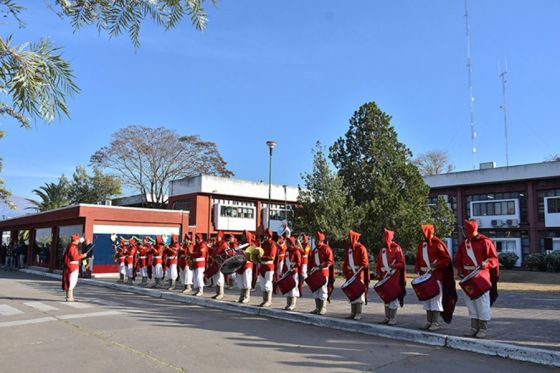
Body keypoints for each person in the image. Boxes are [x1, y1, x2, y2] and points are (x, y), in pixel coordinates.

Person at [454, 219, 499, 339]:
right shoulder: (464, 244)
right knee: (470, 303)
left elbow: (494, 259)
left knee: (482, 303)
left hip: (481, 277)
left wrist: (487, 264)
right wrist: (460, 271)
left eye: (467, 230)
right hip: (467, 278)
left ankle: (483, 328)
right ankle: (473, 327)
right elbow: (458, 260)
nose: (465, 232)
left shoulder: (486, 242)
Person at [414, 225, 457, 331]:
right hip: (424, 277)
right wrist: (417, 267)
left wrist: (437, 264)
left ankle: (435, 323)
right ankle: (429, 322)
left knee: (435, 300)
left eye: (425, 232)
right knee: (427, 300)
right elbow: (418, 258)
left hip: (436, 277)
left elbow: (446, 260)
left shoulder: (438, 244)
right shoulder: (421, 245)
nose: (423, 234)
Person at [375, 228, 406, 325]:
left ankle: (393, 318)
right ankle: (387, 317)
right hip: (384, 278)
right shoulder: (382, 250)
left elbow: (401, 263)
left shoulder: (397, 248)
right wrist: (378, 272)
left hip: (394, 278)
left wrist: (394, 266)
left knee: (393, 298)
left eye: (383, 237)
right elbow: (379, 264)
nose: (382, 239)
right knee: (386, 298)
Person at [342, 230, 370, 320]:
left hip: (358, 275)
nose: (349, 240)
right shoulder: (349, 249)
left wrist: (358, 271)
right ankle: (352, 312)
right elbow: (346, 262)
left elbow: (365, 263)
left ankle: (358, 313)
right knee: (352, 294)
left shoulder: (361, 248)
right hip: (350, 275)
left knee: (358, 295)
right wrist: (345, 272)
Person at [308, 231, 334, 315]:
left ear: (321, 240)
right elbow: (311, 262)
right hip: (315, 272)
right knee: (315, 290)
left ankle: (323, 308)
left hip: (323, 272)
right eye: (315, 240)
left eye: (317, 240)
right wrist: (309, 270)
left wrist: (323, 265)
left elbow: (330, 261)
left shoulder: (327, 249)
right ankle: (317, 307)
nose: (315, 241)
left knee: (323, 290)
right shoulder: (314, 250)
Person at [62, 234, 87, 301]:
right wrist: (82, 256)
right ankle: (70, 297)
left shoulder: (70, 246)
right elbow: (74, 257)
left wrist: (79, 255)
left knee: (70, 281)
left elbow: (73, 256)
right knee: (72, 281)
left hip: (70, 266)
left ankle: (69, 297)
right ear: (76, 240)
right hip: (72, 266)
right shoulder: (73, 247)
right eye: (78, 240)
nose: (79, 241)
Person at [259, 229, 278, 307]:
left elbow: (272, 257)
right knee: (262, 283)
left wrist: (261, 257)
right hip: (262, 266)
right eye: (264, 235)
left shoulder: (273, 244)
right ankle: (264, 300)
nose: (265, 237)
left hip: (269, 266)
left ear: (270, 236)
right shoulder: (263, 244)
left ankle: (268, 300)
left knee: (268, 283)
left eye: (266, 235)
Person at [282, 236, 302, 310]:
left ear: (291, 244)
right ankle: (288, 303)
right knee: (288, 287)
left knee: (293, 287)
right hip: (287, 272)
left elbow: (299, 262)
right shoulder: (287, 251)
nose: (286, 244)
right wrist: (283, 270)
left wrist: (293, 267)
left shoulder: (296, 251)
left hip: (293, 272)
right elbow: (285, 262)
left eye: (287, 243)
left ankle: (293, 304)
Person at [237, 231, 255, 303]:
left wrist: (245, 254)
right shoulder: (241, 244)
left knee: (247, 280)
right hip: (240, 264)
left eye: (244, 235)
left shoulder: (251, 245)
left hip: (247, 264)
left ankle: (247, 297)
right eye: (242, 235)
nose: (242, 236)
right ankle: (241, 296)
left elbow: (253, 256)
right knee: (241, 280)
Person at [210, 231, 228, 299]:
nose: (217, 237)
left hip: (220, 263)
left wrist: (220, 257)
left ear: (221, 237)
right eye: (216, 236)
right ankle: (217, 293)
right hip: (215, 262)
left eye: (218, 236)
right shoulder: (216, 244)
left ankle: (221, 293)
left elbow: (227, 253)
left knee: (220, 277)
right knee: (216, 277)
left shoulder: (224, 244)